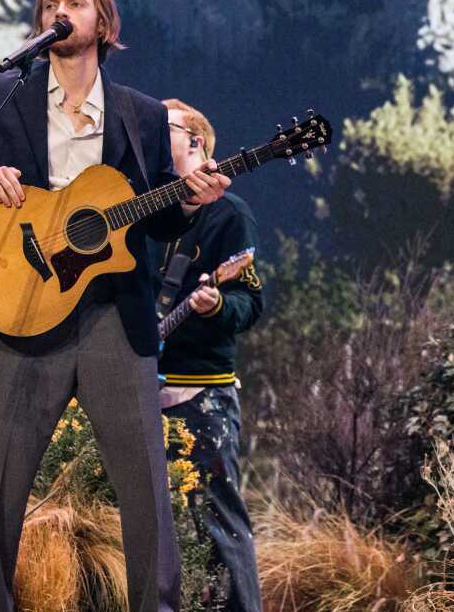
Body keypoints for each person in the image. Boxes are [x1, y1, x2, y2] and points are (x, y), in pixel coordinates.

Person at [0, 0, 230, 612]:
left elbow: (156, 216)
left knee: (145, 487)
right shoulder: (4, 94)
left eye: (74, 2)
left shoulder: (140, 115)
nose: (59, 11)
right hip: (23, 309)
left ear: (102, 22)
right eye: (50, 4)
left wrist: (192, 201)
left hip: (111, 317)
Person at [155, 99, 264, 612]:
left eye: (163, 129)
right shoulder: (147, 208)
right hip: (138, 392)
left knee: (218, 523)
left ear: (194, 141)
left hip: (200, 394)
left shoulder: (229, 214)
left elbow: (250, 301)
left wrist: (217, 302)